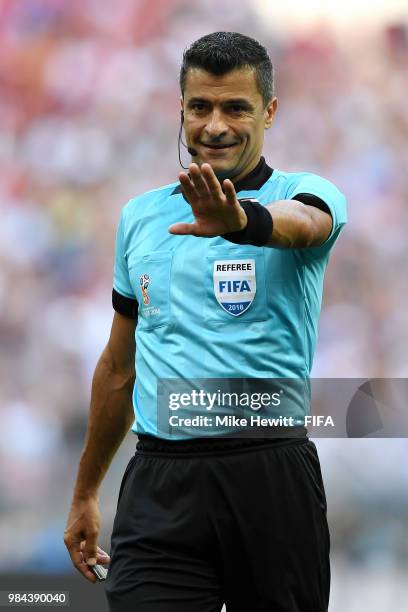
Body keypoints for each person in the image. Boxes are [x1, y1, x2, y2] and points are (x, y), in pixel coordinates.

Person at [64, 31, 347, 612]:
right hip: (160, 482)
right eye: (201, 106)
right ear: (182, 109)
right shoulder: (141, 218)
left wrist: (243, 220)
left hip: (269, 474)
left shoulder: (307, 192)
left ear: (269, 111)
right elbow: (119, 369)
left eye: (236, 107)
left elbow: (305, 225)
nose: (215, 125)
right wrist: (86, 491)